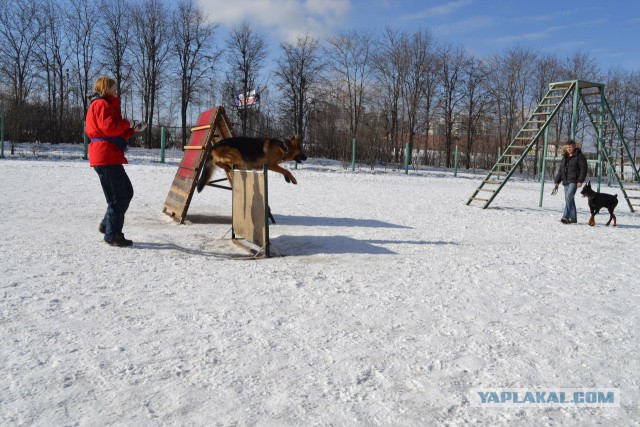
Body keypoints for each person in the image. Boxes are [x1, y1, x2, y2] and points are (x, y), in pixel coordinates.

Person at [86, 76, 146, 246]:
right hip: (106, 156)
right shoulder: (101, 104)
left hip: (109, 154)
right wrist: (128, 123)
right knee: (118, 197)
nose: (116, 90)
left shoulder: (105, 105)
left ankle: (107, 225)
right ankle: (113, 235)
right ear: (106, 88)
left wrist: (132, 129)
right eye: (113, 87)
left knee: (126, 192)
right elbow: (110, 127)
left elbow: (113, 131)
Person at [553, 140, 588, 224]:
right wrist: (557, 181)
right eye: (567, 147)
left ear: (574, 147)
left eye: (570, 147)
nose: (568, 149)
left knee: (569, 197)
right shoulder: (565, 156)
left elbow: (584, 169)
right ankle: (573, 218)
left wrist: (580, 180)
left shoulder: (580, 156)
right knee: (569, 199)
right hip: (565, 181)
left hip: (574, 181)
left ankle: (565, 216)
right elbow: (561, 170)